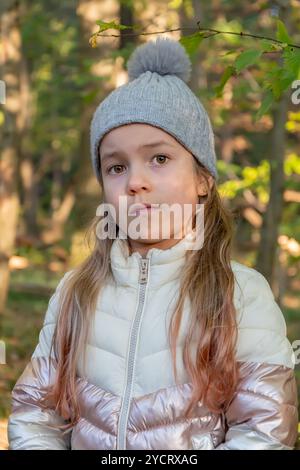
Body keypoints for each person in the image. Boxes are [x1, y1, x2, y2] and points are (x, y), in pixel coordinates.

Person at [7, 36, 298, 450]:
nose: (135, 181)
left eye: (159, 159)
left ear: (203, 179)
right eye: (116, 166)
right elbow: (37, 415)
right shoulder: (76, 292)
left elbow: (265, 430)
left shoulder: (241, 295)